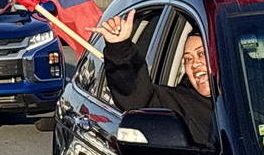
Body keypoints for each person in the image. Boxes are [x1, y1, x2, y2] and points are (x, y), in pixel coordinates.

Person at [89, 8, 212, 145]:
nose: (194, 64)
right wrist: (120, 47)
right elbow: (136, 98)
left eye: (202, 54)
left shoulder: (240, 99)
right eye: (187, 59)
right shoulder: (182, 102)